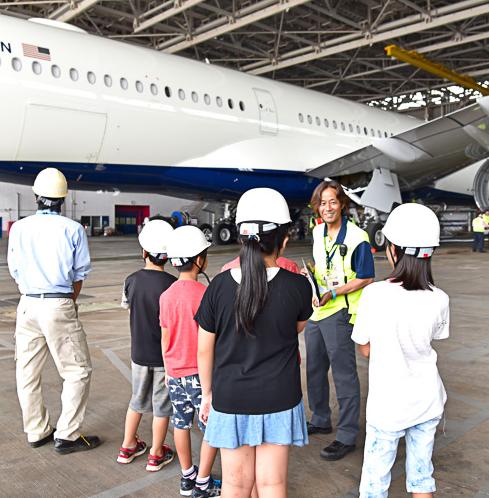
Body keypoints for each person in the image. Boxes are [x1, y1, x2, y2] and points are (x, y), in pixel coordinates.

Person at [196, 188, 312, 498]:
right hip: (280, 397)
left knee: (235, 485)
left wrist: (208, 394)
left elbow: (204, 348)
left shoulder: (218, 286)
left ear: (241, 239)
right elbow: (294, 330)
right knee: (272, 485)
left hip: (230, 398)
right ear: (284, 240)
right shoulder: (298, 286)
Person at [351, 203, 450, 498]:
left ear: (392, 249)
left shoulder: (374, 294)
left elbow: (366, 350)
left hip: (388, 406)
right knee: (421, 478)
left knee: (375, 484)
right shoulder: (440, 298)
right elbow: (432, 338)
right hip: (428, 400)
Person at [7, 167, 99, 454]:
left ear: (35, 196)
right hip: (58, 303)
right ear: (63, 198)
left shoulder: (19, 228)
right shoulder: (73, 230)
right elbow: (79, 274)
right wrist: (67, 303)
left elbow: (15, 271)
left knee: (27, 373)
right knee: (77, 371)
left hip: (27, 304)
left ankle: (36, 431)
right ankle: (67, 434)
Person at [303, 179, 374, 461]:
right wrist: (310, 280)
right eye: (323, 202)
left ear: (342, 204)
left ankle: (346, 435)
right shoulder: (318, 231)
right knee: (314, 371)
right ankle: (320, 418)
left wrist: (334, 291)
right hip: (317, 310)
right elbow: (322, 266)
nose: (327, 207)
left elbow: (366, 277)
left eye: (333, 201)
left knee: (344, 376)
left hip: (341, 312)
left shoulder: (358, 237)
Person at [160, 226, 221, 497]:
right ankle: (204, 483)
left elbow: (164, 338)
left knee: (180, 423)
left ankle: (187, 477)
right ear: (199, 260)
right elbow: (211, 340)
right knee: (211, 426)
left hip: (174, 373)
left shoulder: (166, 295)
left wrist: (167, 370)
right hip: (200, 374)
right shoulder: (205, 294)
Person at [117, 219, 177, 470]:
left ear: (144, 252)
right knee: (162, 407)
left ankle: (128, 446)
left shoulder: (131, 280)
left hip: (138, 355)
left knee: (137, 400)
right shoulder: (172, 285)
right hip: (163, 358)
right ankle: (155, 453)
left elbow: (127, 305)